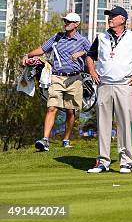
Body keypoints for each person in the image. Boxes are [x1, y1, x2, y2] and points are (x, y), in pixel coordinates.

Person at [85, 6, 132, 174]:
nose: (110, 19)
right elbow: (89, 56)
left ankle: (126, 162)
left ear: (122, 19)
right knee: (103, 125)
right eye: (110, 17)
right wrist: (92, 71)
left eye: (113, 17)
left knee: (124, 124)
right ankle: (102, 162)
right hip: (104, 85)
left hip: (124, 85)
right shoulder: (101, 37)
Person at [21, 12, 91, 151]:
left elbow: (94, 53)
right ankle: (45, 140)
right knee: (51, 107)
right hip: (57, 77)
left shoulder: (83, 41)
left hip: (75, 79)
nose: (65, 23)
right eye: (65, 21)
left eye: (69, 22)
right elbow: (42, 49)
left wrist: (81, 53)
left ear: (76, 24)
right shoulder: (57, 37)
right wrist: (27, 55)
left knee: (70, 111)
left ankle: (66, 139)